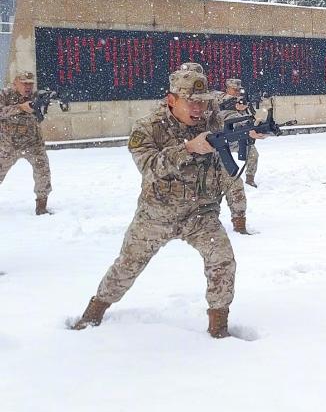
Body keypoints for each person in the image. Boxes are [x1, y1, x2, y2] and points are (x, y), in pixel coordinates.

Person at [71, 68, 267, 338]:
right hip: (156, 215)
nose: (198, 108)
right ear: (172, 99)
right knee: (127, 266)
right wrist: (187, 148)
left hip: (200, 214)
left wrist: (249, 132)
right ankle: (94, 311)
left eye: (202, 102)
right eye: (191, 102)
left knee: (222, 261)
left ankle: (218, 328)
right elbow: (149, 166)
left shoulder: (211, 119)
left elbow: (228, 130)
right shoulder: (147, 128)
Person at [0, 71, 52, 215]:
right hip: (8, 145)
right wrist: (20, 107)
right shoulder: (5, 94)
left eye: (30, 83)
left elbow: (40, 114)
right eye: (24, 83)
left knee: (43, 172)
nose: (28, 87)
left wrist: (45, 102)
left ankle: (41, 206)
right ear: (15, 83)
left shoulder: (35, 96)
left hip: (33, 143)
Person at [220, 78, 259, 187]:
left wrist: (245, 109)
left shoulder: (242, 102)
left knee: (253, 154)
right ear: (227, 89)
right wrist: (234, 107)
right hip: (222, 139)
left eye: (239, 90)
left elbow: (250, 119)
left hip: (238, 138)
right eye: (234, 89)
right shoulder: (220, 101)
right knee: (218, 160)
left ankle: (250, 179)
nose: (237, 92)